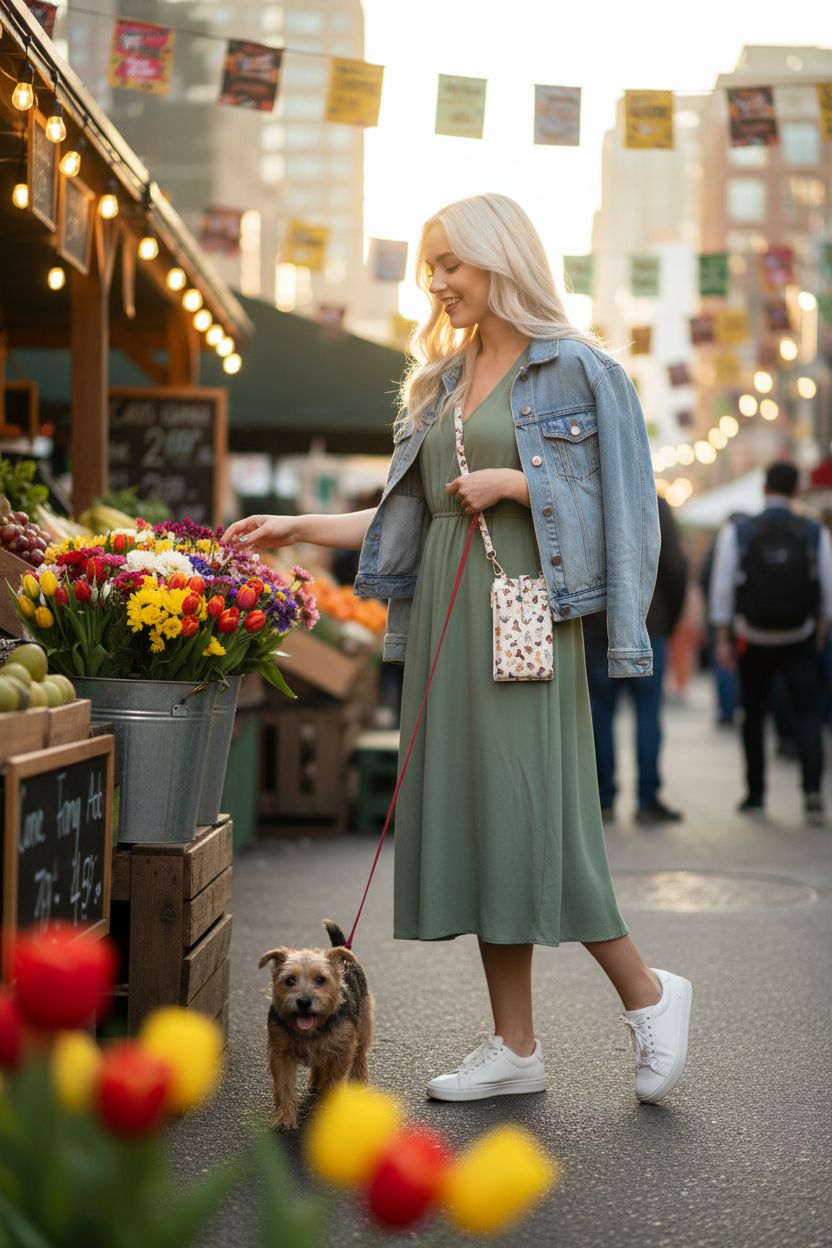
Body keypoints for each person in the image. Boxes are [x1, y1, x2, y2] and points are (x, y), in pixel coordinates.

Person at [223, 194, 693, 1107]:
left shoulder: (581, 370)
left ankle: (648, 994)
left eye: (453, 264)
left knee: (535, 819)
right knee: (483, 827)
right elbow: (409, 515)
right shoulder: (439, 381)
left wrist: (524, 482)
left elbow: (632, 518)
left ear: (501, 259)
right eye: (430, 266)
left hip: (524, 625)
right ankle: (514, 1045)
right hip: (446, 620)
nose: (437, 282)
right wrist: (295, 526)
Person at [709, 460, 832, 826]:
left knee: (754, 715)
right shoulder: (814, 532)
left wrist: (722, 636)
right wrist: (820, 631)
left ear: (764, 488)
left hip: (754, 637)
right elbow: (828, 589)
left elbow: (722, 588)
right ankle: (812, 795)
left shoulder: (740, 531)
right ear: (797, 491)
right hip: (800, 636)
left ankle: (756, 796)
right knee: (808, 714)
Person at [583, 495, 687, 825]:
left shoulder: (589, 496)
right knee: (647, 714)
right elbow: (674, 567)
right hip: (648, 623)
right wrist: (668, 621)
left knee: (600, 713)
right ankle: (647, 799)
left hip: (598, 623)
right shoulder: (653, 502)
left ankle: (603, 799)